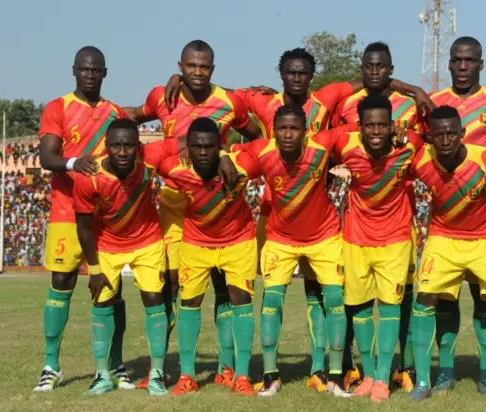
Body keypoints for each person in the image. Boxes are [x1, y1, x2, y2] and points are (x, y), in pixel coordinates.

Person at [165, 45, 432, 391]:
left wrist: (412, 91)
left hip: (322, 220)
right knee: (248, 293)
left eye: (303, 72)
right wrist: (217, 147)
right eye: (291, 72)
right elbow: (214, 91)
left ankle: (329, 370)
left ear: (310, 76)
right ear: (282, 76)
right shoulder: (263, 103)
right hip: (274, 216)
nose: (296, 78)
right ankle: (242, 369)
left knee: (326, 295)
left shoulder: (327, 100)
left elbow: (373, 79)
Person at [124, 39, 262, 388]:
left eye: (204, 67)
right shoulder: (162, 96)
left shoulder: (229, 101)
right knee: (173, 285)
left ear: (213, 69)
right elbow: (132, 118)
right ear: (181, 66)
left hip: (216, 201)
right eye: (190, 66)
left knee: (223, 286)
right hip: (175, 203)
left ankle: (226, 366)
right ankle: (163, 367)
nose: (197, 72)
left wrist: (228, 152)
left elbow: (256, 135)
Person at [222, 105, 354, 397]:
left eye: (294, 128)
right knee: (271, 304)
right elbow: (230, 157)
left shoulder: (323, 145)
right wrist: (222, 155)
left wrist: (398, 132)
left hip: (324, 236)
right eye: (282, 128)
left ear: (306, 131)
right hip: (280, 240)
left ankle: (335, 377)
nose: (288, 134)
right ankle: (271, 376)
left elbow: (363, 131)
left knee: (334, 301)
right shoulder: (261, 151)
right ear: (274, 130)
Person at [408, 105, 486, 405]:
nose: (446, 140)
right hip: (443, 237)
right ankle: (425, 381)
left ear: (462, 133)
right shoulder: (420, 162)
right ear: (430, 138)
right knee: (425, 298)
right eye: (438, 135)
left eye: (452, 133)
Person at [329, 41, 432, 391]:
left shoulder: (410, 144)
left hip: (397, 238)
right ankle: (370, 374)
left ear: (392, 125)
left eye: (382, 126)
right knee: (358, 308)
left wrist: (414, 91)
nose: (376, 131)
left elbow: (441, 144)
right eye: (369, 126)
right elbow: (306, 142)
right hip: (355, 238)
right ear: (359, 126)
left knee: (392, 306)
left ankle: (387, 377)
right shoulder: (344, 139)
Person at [34, 46, 130, 392]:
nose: (90, 75)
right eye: (84, 70)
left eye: (96, 70)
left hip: (106, 216)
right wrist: (75, 162)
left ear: (105, 73)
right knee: (62, 283)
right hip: (65, 211)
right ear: (74, 71)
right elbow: (47, 156)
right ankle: (51, 365)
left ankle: (115, 366)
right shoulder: (58, 107)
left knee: (111, 289)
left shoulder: (114, 112)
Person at [423, 36, 486, 394]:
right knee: (445, 301)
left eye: (470, 60)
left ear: (481, 63)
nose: (463, 66)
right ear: (448, 63)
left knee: (484, 298)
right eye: (457, 60)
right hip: (446, 216)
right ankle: (445, 371)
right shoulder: (437, 105)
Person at [73, 119, 178, 395]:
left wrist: (221, 153)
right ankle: (102, 375)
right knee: (102, 302)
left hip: (147, 241)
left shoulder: (150, 158)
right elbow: (83, 227)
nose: (122, 151)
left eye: (128, 145)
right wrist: (94, 269)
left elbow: (187, 140)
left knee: (155, 300)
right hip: (106, 245)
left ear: (138, 146)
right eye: (116, 145)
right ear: (106, 147)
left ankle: (156, 374)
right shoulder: (89, 176)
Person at [158, 118, 258, 396]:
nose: (203, 152)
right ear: (187, 148)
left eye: (210, 147)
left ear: (219, 146)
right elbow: (145, 154)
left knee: (241, 300)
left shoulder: (241, 166)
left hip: (238, 241)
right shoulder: (175, 169)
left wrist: (227, 154)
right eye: (197, 147)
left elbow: (268, 148)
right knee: (189, 301)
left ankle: (240, 375)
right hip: (196, 243)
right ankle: (188, 375)